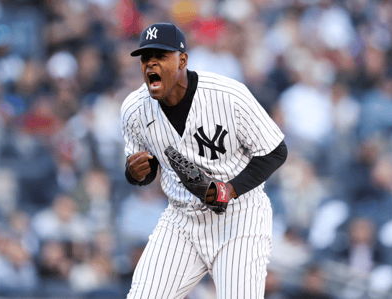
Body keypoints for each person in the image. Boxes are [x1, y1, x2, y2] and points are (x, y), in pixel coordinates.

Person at [120, 22, 288, 299]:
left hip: (240, 217)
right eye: (146, 58)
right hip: (182, 219)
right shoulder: (134, 109)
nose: (151, 64)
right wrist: (135, 173)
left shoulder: (228, 95)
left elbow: (275, 151)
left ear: (182, 60)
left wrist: (229, 189)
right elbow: (146, 172)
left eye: (160, 57)